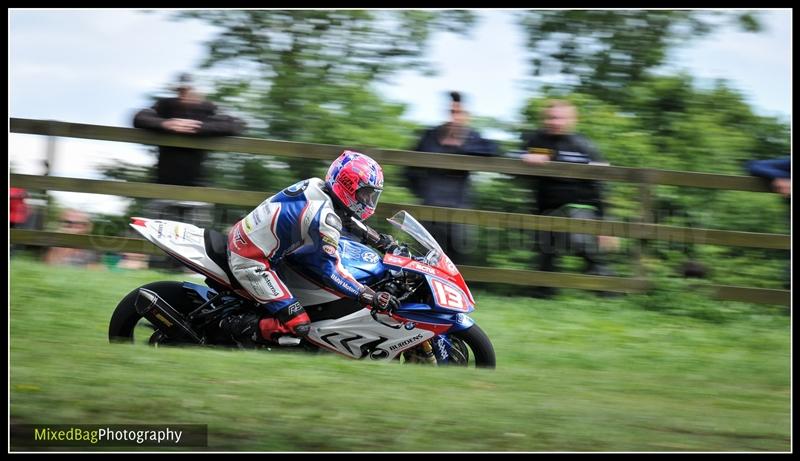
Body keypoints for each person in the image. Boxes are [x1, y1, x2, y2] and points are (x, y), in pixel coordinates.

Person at [219, 150, 400, 346]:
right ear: (348, 188)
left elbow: (347, 219)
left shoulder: (317, 186)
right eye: (365, 193)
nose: (368, 200)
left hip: (251, 239)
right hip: (251, 260)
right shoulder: (324, 219)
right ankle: (228, 326)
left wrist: (380, 241)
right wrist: (369, 296)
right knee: (301, 325)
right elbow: (332, 273)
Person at [520, 99, 618, 297]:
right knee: (545, 250)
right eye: (552, 117)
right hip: (544, 207)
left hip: (580, 207)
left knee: (580, 239)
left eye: (561, 118)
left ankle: (608, 288)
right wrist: (526, 158)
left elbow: (600, 184)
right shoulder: (537, 141)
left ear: (572, 120)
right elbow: (515, 159)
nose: (556, 122)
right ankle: (543, 294)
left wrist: (605, 223)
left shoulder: (584, 145)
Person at [406, 91, 499, 264]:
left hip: (459, 213)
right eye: (451, 112)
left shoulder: (472, 138)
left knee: (458, 263)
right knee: (424, 260)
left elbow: (493, 150)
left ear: (466, 116)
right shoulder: (431, 136)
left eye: (458, 113)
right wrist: (423, 192)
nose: (454, 117)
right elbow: (409, 167)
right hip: (430, 210)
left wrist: (461, 147)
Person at [133, 73, 246, 188]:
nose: (184, 93)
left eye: (188, 89)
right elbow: (139, 118)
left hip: (198, 185)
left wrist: (199, 127)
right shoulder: (165, 105)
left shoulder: (208, 108)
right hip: (163, 183)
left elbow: (236, 124)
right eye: (181, 90)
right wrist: (165, 124)